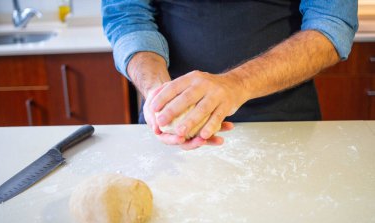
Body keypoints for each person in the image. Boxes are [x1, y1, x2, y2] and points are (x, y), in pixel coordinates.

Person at [102, 0, 358, 150]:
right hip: (176, 125)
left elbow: (331, 24)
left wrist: (237, 84)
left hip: (284, 125)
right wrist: (161, 95)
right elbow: (127, 15)